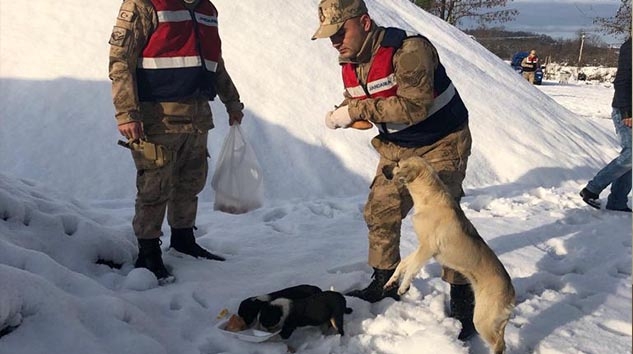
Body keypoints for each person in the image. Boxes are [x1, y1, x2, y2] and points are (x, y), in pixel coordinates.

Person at [312, 0, 476, 340]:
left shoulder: (410, 50)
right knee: (380, 210)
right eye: (330, 36)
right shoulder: (352, 61)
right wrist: (344, 113)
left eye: (341, 32)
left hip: (441, 141)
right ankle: (385, 280)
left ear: (365, 23)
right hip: (398, 146)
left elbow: (414, 106)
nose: (336, 42)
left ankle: (462, 296)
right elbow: (366, 101)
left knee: (443, 222)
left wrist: (356, 109)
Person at [108, 0, 245, 283]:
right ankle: (147, 253)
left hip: (197, 115)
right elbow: (121, 60)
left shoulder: (207, 9)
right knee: (155, 186)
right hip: (158, 116)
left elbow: (215, 63)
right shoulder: (143, 4)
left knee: (190, 181)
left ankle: (183, 240)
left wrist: (232, 101)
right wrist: (126, 112)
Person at [580, 37, 632, 212]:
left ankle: (617, 202)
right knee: (632, 154)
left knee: (631, 157)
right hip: (625, 110)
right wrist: (626, 111)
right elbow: (622, 80)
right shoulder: (630, 47)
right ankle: (592, 189)